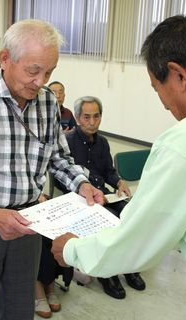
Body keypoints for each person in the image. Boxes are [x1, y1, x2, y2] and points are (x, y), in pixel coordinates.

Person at [51, 15, 186, 320]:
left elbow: (138, 239)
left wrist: (72, 250)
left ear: (179, 75)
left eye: (157, 89)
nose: (165, 105)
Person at [0, 19, 103, 320]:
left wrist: (81, 184)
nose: (41, 81)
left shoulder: (47, 103)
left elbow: (58, 158)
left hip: (29, 223)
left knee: (19, 310)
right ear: (5, 59)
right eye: (33, 70)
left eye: (49, 72)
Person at [59, 95, 146, 299]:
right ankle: (107, 274)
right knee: (109, 222)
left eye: (96, 117)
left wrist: (118, 182)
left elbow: (108, 170)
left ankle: (128, 266)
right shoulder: (68, 141)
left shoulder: (103, 142)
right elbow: (63, 176)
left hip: (104, 194)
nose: (92, 122)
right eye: (86, 117)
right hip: (78, 196)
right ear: (78, 118)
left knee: (129, 214)